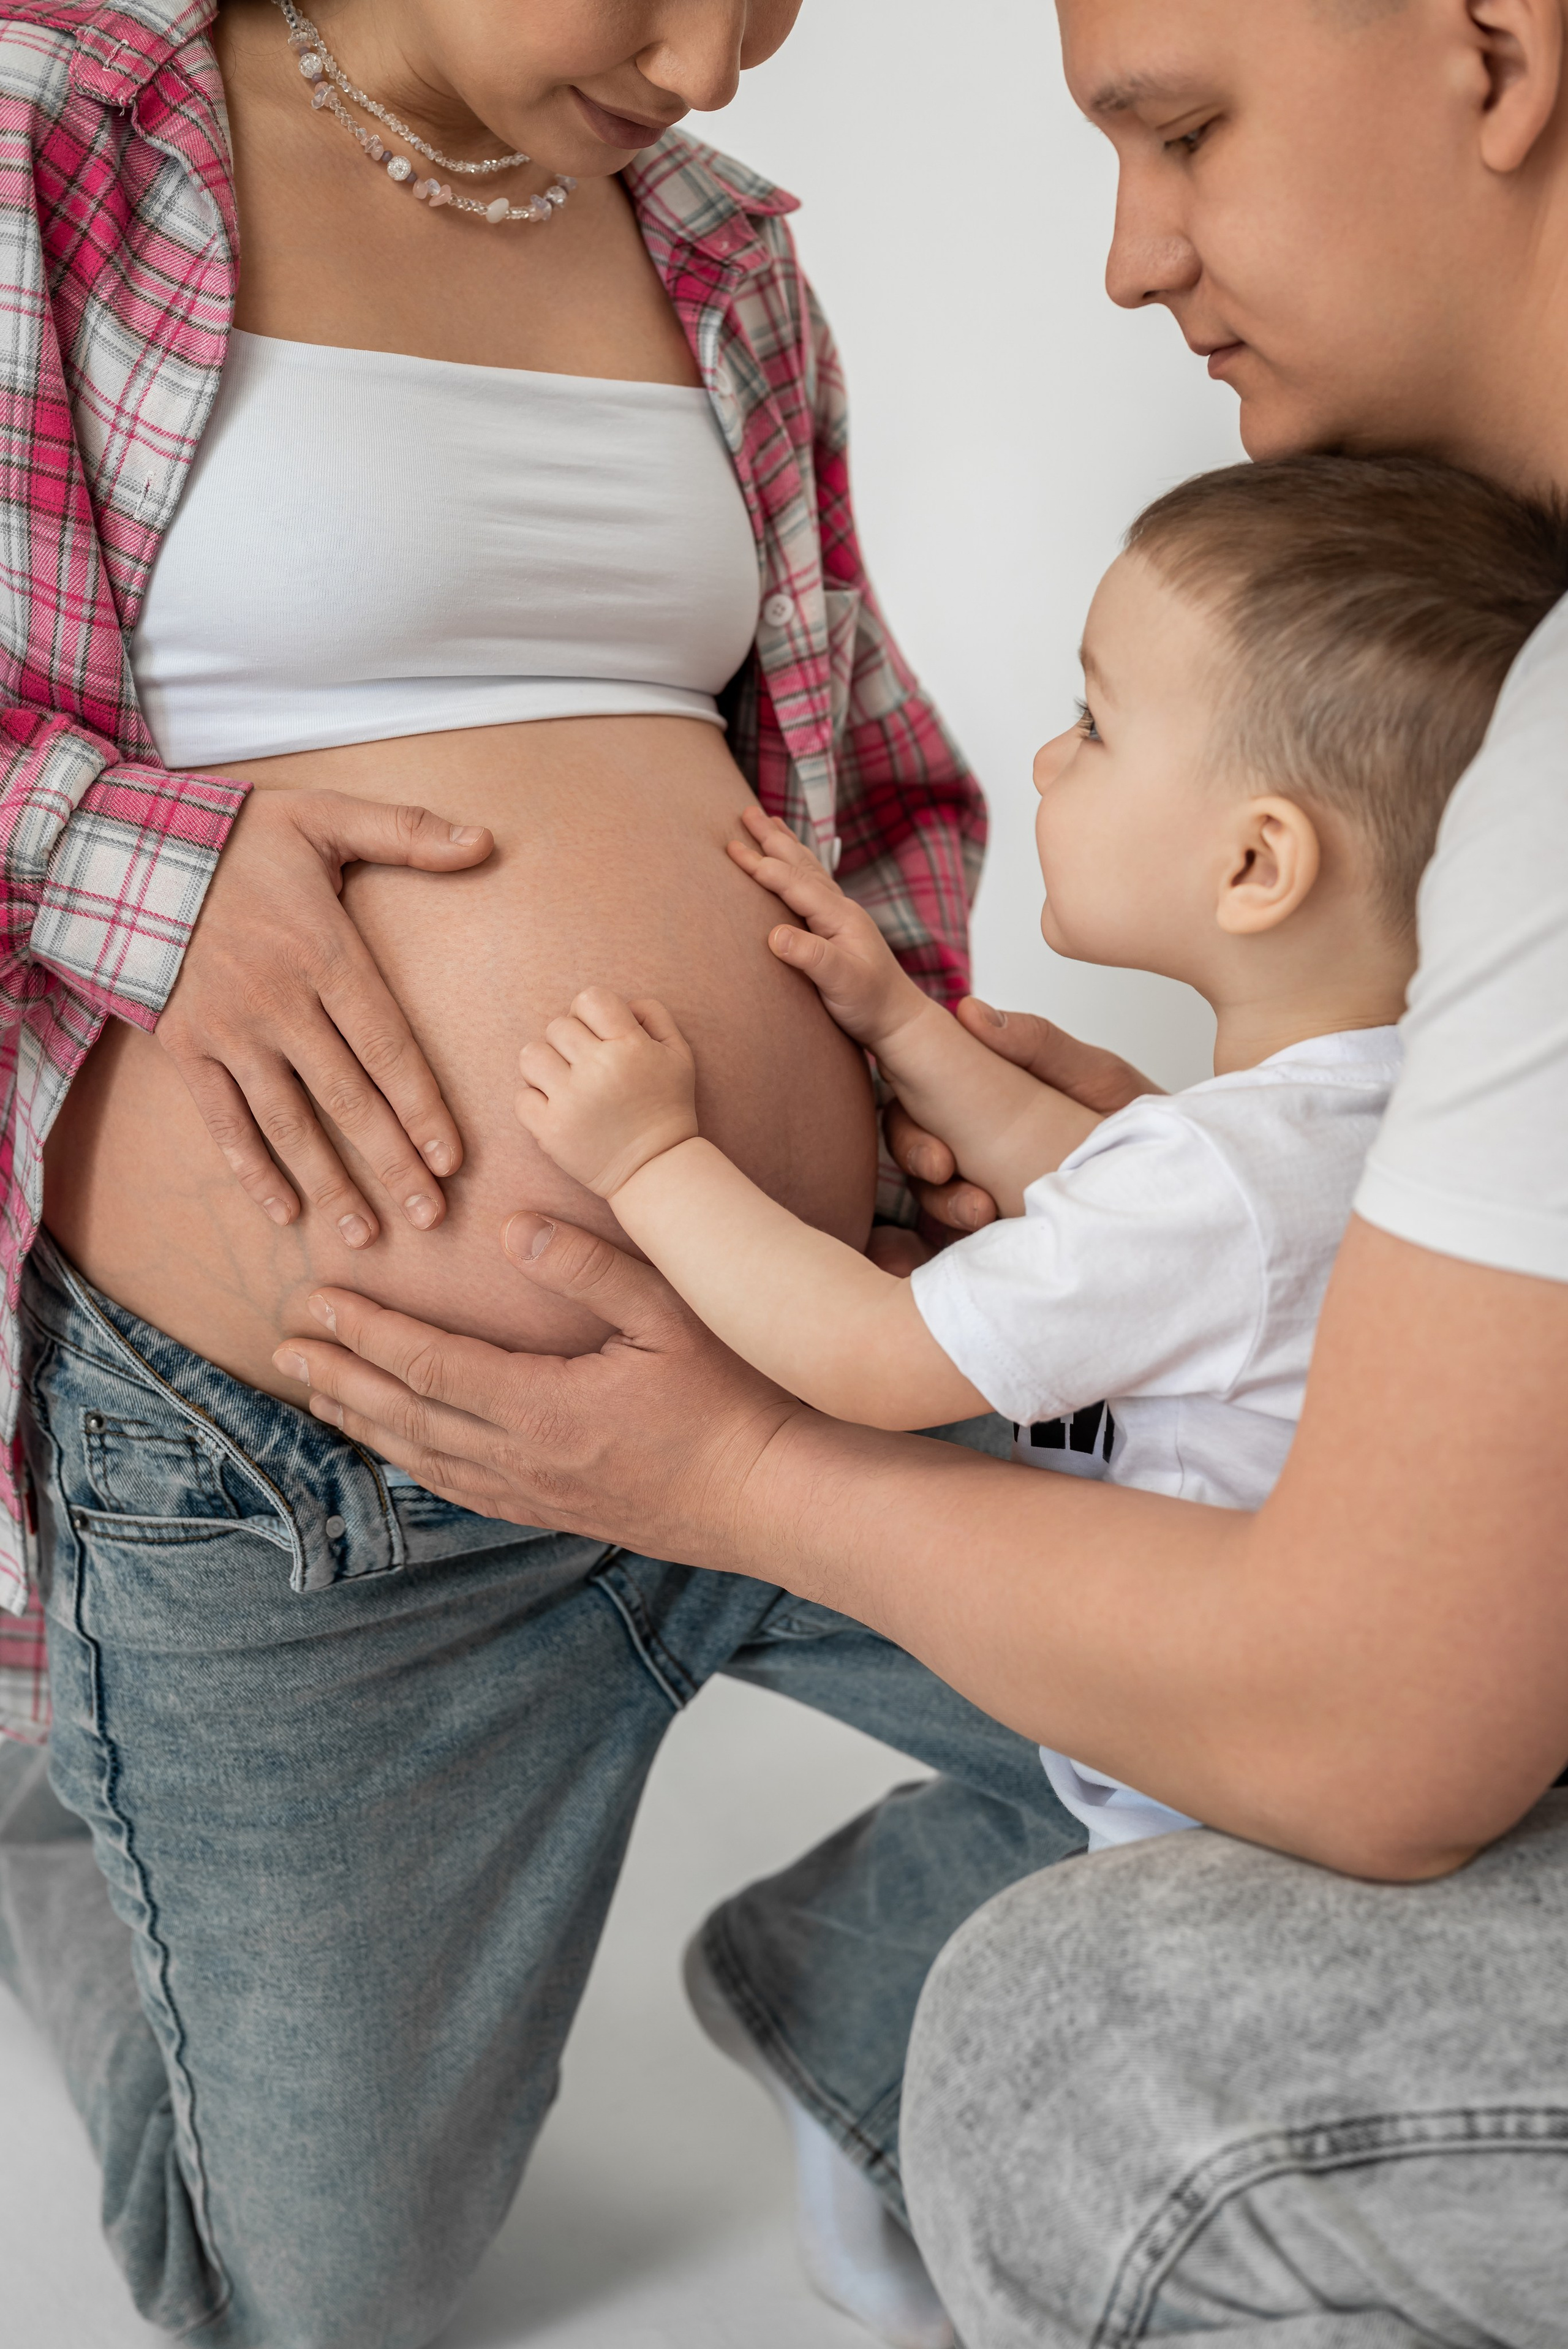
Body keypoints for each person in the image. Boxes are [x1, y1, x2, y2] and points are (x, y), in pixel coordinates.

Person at [275, 0, 1568, 2338]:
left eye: (1185, 127)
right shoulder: (1368, 1049)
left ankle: (874, 2026)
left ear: (1497, 53)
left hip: (984, 1557)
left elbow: (927, 1376)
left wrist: (681, 1267)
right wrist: (904, 1040)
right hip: (311, 1465)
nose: (1126, 259)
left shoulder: (1536, 798)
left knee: (1074, 2024)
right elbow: (1197, 1195)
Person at [0, 4, 1082, 2345]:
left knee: (1335, 1744)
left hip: (822, 1352)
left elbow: (850, 765)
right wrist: (143, 862)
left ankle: (832, 1991)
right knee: (317, 2301)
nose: (718, 59)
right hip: (308, 1468)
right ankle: (65, 1817)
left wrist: (930, 1109)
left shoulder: (718, 251)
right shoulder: (52, 126)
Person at [502, 450, 1566, 1857]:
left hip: (1205, 1801)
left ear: (1254, 866)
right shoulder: (1384, 1123)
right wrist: (899, 1024)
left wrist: (648, 1157)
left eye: (1092, 724)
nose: (1046, 759)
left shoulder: (1220, 1182)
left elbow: (872, 1360)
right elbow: (1116, 1186)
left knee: (827, 1950)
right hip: (1198, 1755)